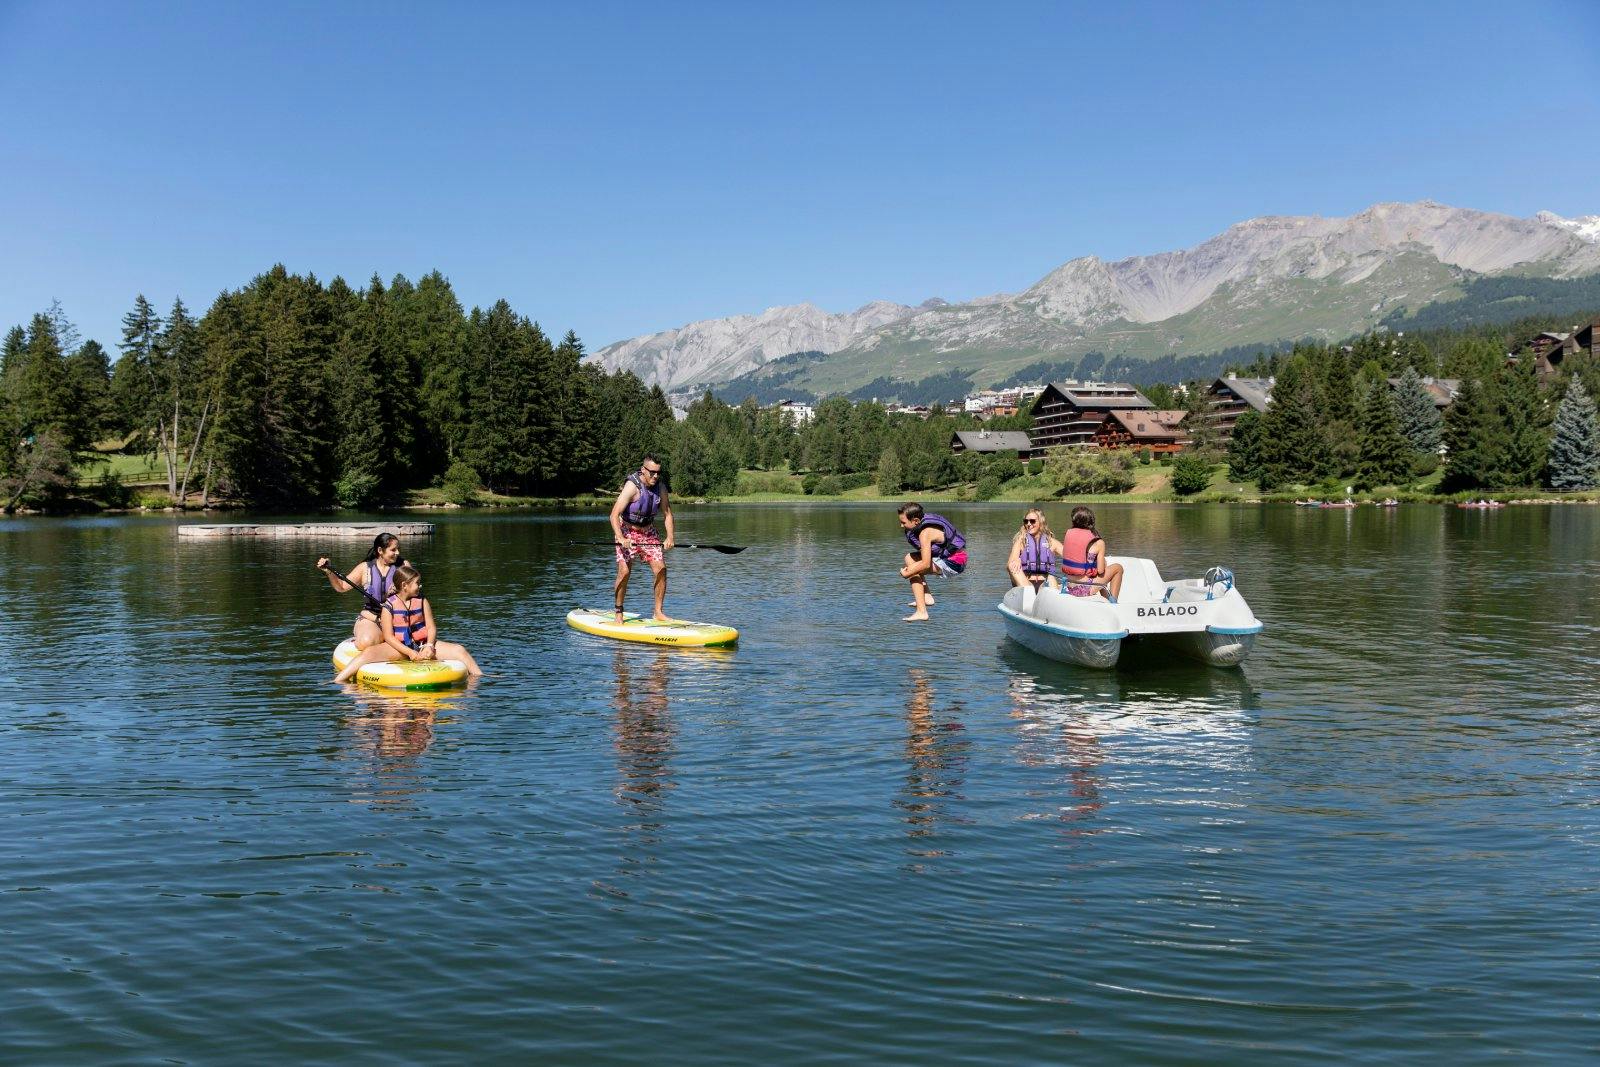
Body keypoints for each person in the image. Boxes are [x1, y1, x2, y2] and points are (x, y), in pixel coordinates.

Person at [334, 564, 482, 683]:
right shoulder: (388, 606)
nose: (420, 586)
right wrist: (410, 652)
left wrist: (429, 646)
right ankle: (338, 681)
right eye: (417, 583)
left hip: (423, 644)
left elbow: (431, 627)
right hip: (399, 648)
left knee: (460, 650)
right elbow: (389, 637)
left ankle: (479, 678)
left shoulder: (422, 601)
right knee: (368, 653)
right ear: (405, 585)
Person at [610, 455, 676, 622]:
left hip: (648, 532)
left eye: (658, 473)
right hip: (626, 531)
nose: (655, 476)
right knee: (624, 572)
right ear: (643, 470)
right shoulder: (632, 486)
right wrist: (620, 537)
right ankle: (619, 611)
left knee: (661, 569)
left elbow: (667, 514)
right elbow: (614, 515)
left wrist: (670, 537)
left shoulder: (660, 488)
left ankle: (658, 612)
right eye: (652, 473)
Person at [317, 532, 405, 650]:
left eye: (398, 549)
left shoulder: (403, 566)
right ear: (380, 550)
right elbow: (341, 587)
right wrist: (329, 571)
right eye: (393, 550)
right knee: (366, 642)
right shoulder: (365, 568)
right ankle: (373, 637)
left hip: (397, 618)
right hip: (372, 618)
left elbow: (415, 592)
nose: (397, 553)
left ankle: (385, 640)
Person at [897, 502, 967, 622]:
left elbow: (925, 564)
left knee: (913, 569)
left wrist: (907, 574)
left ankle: (922, 612)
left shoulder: (925, 533)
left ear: (916, 521)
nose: (901, 525)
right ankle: (927, 597)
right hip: (948, 558)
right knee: (909, 558)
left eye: (904, 522)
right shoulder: (922, 526)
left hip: (955, 563)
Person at [1060, 505, 1124, 601]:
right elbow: (1101, 571)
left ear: (1073, 521)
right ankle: (1114, 602)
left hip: (1068, 587)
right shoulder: (1099, 543)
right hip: (1083, 589)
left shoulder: (1068, 534)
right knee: (1118, 568)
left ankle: (1105, 599)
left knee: (1102, 566)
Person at [1007, 508, 1062, 591]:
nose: (1028, 524)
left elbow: (1071, 557)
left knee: (1051, 577)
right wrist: (1017, 560)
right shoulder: (1021, 541)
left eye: (1032, 521)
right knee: (1012, 565)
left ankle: (1052, 598)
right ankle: (1028, 596)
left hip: (1045, 582)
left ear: (1041, 522)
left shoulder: (1051, 542)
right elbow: (1010, 564)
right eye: (1026, 521)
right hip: (1026, 583)